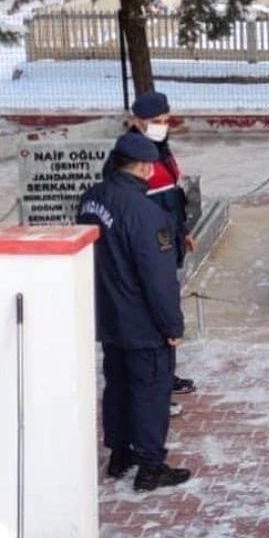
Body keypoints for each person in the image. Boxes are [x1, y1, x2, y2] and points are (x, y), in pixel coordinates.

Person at [78, 133, 191, 492]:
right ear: (144, 167)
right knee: (150, 390)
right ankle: (150, 465)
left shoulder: (92, 198)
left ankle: (120, 453)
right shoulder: (146, 213)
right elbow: (158, 279)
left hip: (108, 313)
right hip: (142, 320)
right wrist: (172, 325)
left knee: (119, 386)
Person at [106, 91, 197, 415]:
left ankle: (166, 375)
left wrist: (182, 231)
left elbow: (172, 195)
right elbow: (122, 205)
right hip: (147, 246)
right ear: (137, 122)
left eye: (166, 120)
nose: (162, 126)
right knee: (153, 308)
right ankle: (156, 387)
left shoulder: (161, 147)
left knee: (166, 304)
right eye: (155, 122)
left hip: (167, 238)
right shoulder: (126, 155)